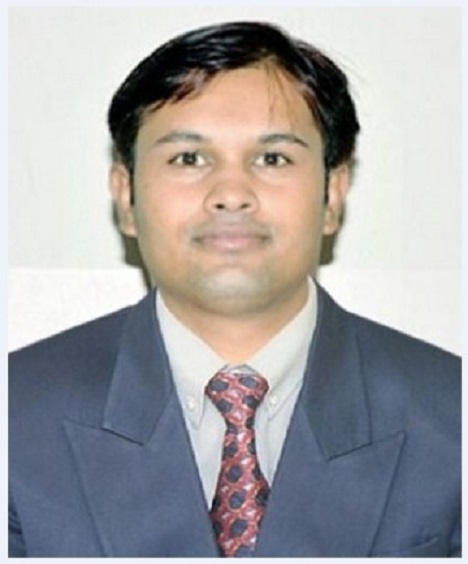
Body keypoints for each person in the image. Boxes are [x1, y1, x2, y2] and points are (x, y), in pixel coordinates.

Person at [9, 21, 460, 558]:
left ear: (333, 193)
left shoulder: (451, 414)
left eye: (272, 159)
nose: (230, 193)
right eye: (188, 158)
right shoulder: (15, 418)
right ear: (126, 196)